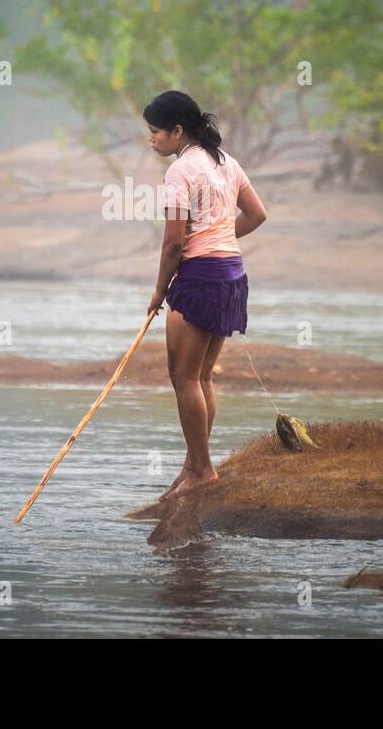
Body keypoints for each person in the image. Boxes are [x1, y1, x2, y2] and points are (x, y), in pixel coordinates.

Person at [143, 90, 268, 502]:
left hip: (200, 278)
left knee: (183, 376)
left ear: (177, 131)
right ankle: (193, 463)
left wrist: (160, 291)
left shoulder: (180, 172)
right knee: (201, 375)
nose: (152, 140)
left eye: (155, 132)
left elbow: (173, 242)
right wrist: (221, 238)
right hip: (232, 274)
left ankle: (202, 468)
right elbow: (257, 214)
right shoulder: (225, 161)